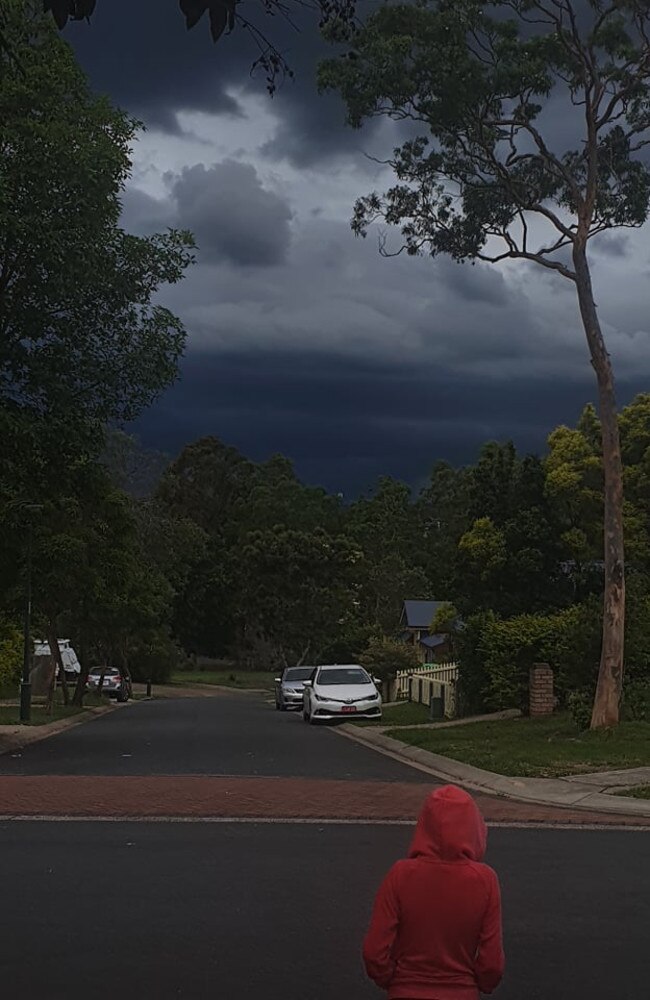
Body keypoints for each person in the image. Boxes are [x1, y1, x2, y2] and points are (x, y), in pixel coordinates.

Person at [362, 785, 504, 1000]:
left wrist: (392, 979)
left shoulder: (400, 874)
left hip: (406, 989)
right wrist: (481, 984)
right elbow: (491, 962)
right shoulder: (485, 880)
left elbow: (374, 951)